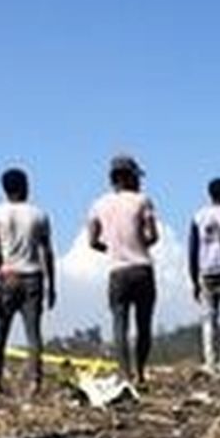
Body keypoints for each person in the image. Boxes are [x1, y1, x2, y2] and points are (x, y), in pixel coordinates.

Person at [88, 155, 159, 385]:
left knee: (120, 324)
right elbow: (152, 235)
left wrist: (110, 247)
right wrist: (139, 243)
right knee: (143, 325)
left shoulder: (99, 205)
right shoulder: (142, 201)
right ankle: (139, 372)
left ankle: (124, 373)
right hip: (141, 268)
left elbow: (92, 239)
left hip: (117, 271)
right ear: (130, 178)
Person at [0, 167, 56, 395]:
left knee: (0, 333)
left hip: (8, 277)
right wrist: (52, 285)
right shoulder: (39, 215)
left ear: (4, 189)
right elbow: (48, 253)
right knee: (33, 334)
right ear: (26, 186)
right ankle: (35, 381)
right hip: (33, 277)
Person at [189, 178, 220, 373]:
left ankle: (210, 363)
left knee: (209, 320)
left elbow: (192, 250)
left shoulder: (199, 216)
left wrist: (194, 279)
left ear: (210, 194)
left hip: (206, 271)